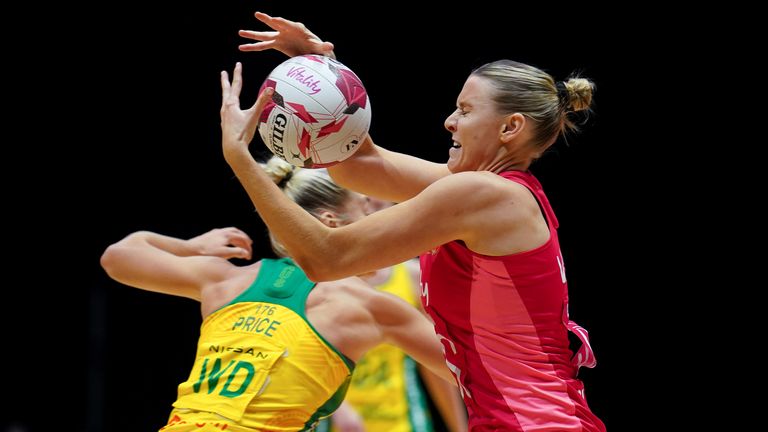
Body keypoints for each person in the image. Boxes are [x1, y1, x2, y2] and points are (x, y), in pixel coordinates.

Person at [222, 11, 606, 431]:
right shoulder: (491, 192)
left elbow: (326, 259)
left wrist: (242, 160)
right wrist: (321, 71)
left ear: (510, 127)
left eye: (465, 110)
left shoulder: (483, 195)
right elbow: (362, 163)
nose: (450, 122)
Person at [100, 162, 456, 432]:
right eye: (367, 210)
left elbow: (119, 256)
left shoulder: (226, 279)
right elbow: (473, 370)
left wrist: (189, 247)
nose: (380, 222)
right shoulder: (365, 304)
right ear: (331, 224)